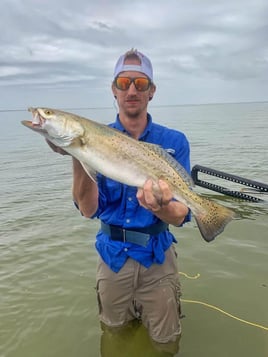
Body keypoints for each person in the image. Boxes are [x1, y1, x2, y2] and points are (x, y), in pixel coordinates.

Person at [47, 49, 191, 356]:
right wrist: (77, 153)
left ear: (152, 91)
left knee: (166, 342)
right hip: (112, 259)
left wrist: (160, 206)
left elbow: (180, 216)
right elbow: (88, 210)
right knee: (114, 334)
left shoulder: (174, 142)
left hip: (157, 258)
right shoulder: (96, 139)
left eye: (140, 83)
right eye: (124, 82)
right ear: (113, 89)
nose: (131, 90)